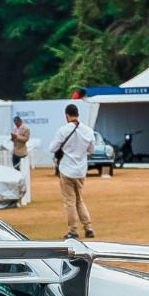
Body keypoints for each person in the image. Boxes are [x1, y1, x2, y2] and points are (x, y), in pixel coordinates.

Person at [48, 103, 96, 240]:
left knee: (69, 201)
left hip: (67, 169)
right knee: (80, 200)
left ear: (67, 115)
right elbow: (91, 150)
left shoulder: (63, 130)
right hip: (81, 170)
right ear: (78, 114)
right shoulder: (88, 130)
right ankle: (88, 227)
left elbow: (52, 148)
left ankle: (73, 230)